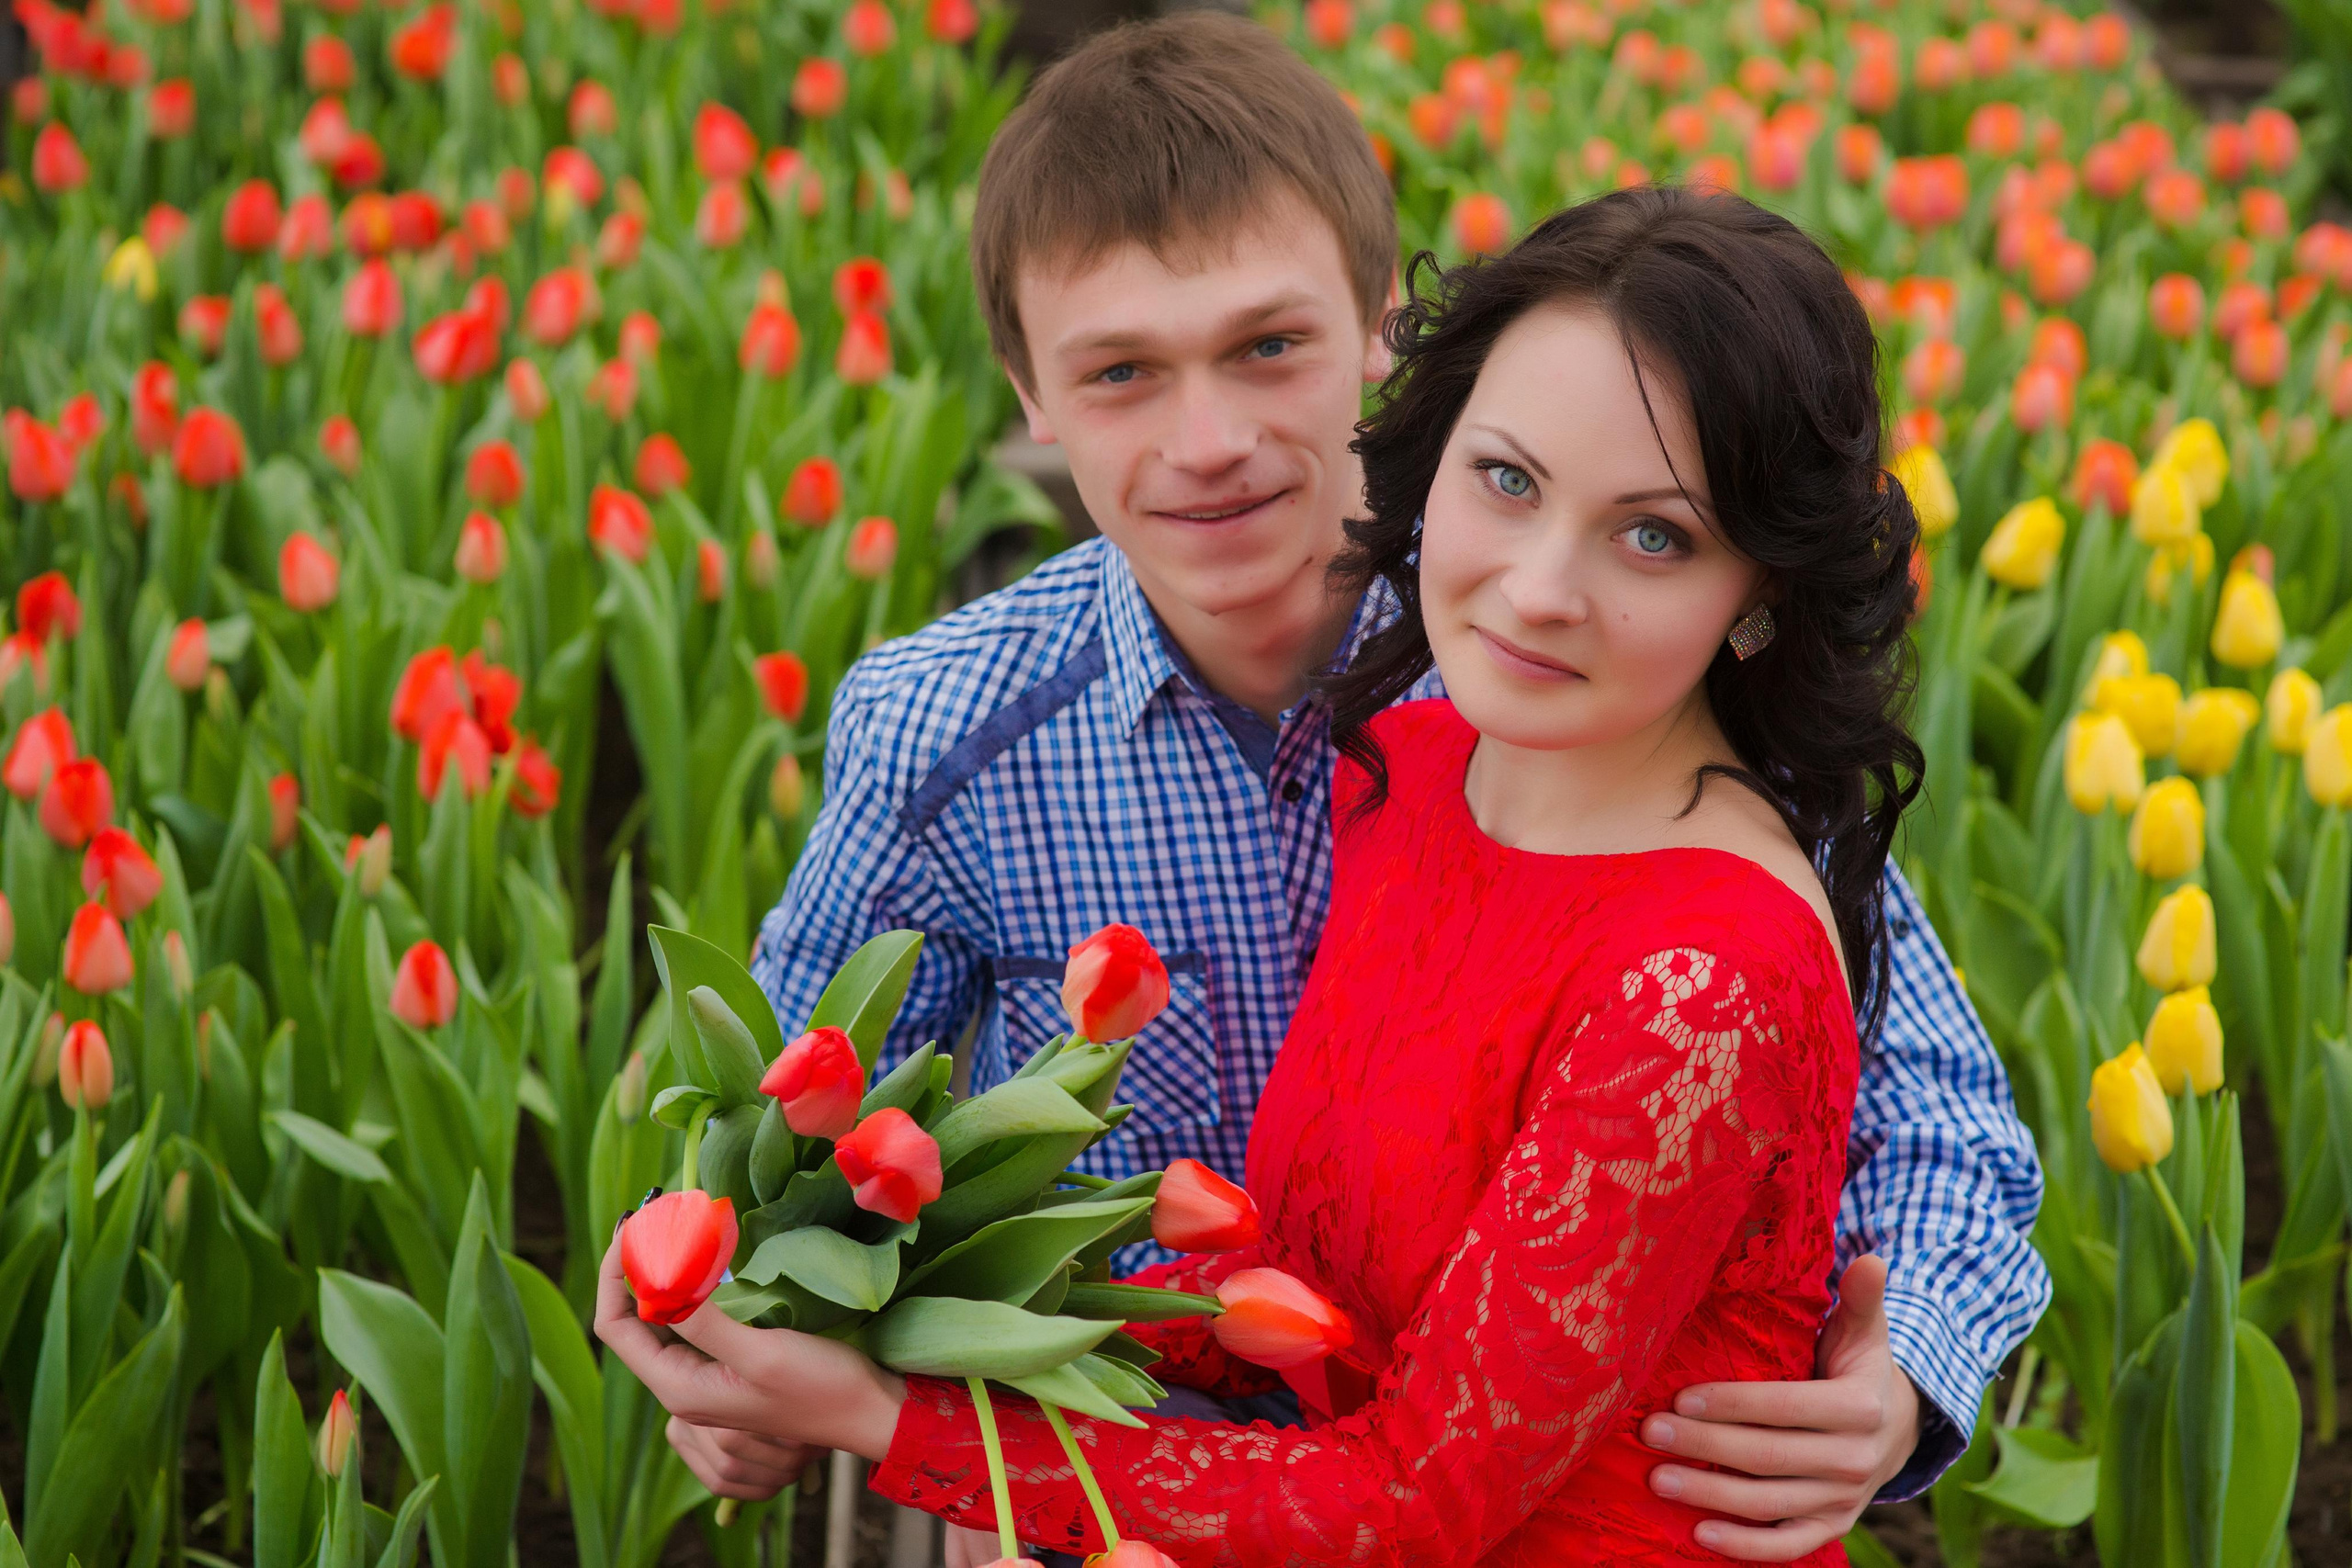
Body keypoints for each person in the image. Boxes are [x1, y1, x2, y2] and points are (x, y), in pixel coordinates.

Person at [642, 15, 2047, 1558]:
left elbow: (1931, 1106)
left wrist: (1904, 1366)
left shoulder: (1580, 683)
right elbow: (788, 1129)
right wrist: (724, 1331)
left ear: (1383, 327)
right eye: (1120, 372)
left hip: (1492, 1485)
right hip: (1101, 1471)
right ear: (1027, 397)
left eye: (1269, 345)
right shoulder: (947, 732)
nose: (1211, 443)